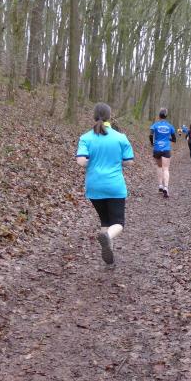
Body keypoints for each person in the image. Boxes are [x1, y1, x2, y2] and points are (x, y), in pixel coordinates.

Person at [76, 103, 134, 265]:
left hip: (94, 186)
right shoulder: (120, 137)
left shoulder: (85, 138)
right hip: (114, 185)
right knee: (118, 223)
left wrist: (93, 162)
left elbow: (81, 161)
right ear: (110, 116)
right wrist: (116, 161)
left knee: (105, 221)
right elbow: (129, 162)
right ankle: (107, 237)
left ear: (94, 116)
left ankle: (109, 256)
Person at [149, 108, 176, 197]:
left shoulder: (155, 125)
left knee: (159, 166)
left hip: (157, 148)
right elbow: (174, 139)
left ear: (159, 116)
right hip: (166, 149)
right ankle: (166, 187)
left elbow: (150, 135)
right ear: (166, 116)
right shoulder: (170, 126)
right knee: (166, 168)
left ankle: (160, 185)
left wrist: (152, 143)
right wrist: (168, 138)